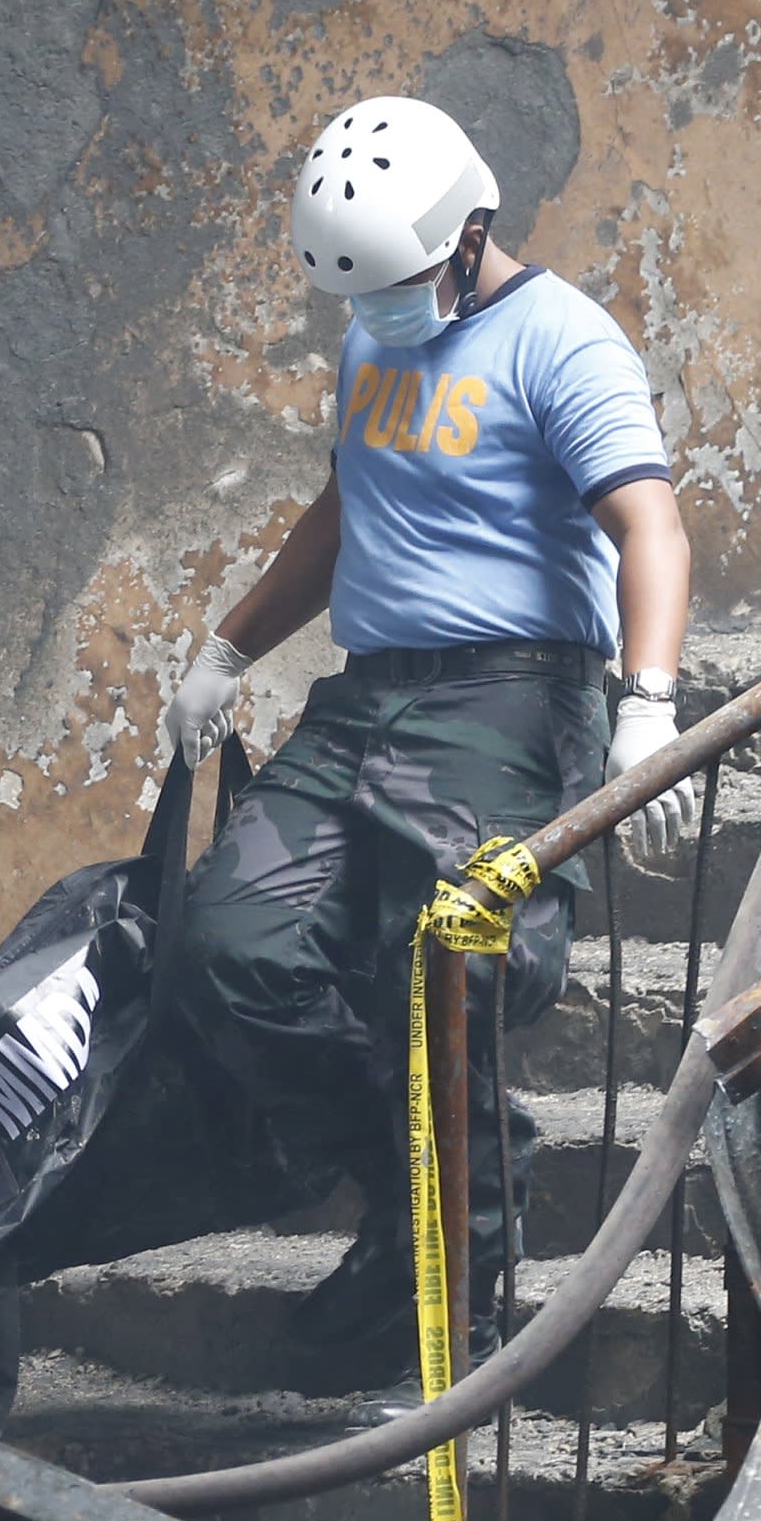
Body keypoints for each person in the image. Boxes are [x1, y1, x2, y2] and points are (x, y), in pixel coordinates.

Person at [159, 96, 698, 1393]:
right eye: (367, 291)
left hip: (511, 701)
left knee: (446, 966)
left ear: (471, 233)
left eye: (404, 283)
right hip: (366, 699)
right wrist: (228, 646)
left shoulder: (563, 344)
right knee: (225, 944)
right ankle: (432, 1172)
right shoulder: (370, 342)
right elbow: (346, 506)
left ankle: (459, 1266)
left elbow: (651, 527)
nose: (385, 309)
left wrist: (650, 699)